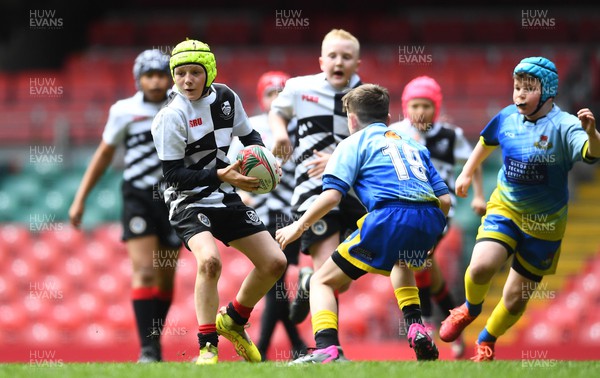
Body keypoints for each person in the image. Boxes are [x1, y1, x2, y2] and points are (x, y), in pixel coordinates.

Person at [438, 56, 600, 361]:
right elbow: (486, 141)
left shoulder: (565, 125)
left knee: (514, 300)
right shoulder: (507, 118)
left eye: (528, 88)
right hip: (506, 207)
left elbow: (593, 154)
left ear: (548, 91)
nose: (520, 94)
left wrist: (591, 132)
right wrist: (466, 172)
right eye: (517, 87)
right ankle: (468, 310)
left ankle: (487, 340)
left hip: (545, 224)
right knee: (482, 265)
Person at [275, 84, 451, 363]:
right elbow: (445, 201)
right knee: (401, 262)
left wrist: (298, 226)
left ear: (352, 119)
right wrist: (428, 235)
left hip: (388, 217)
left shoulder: (352, 143)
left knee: (321, 280)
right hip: (428, 218)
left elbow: (332, 196)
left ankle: (327, 348)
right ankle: (417, 327)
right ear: (388, 118)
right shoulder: (414, 145)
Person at [150, 39, 287, 365]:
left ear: (208, 72)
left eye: (195, 72)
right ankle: (207, 346)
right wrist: (223, 175)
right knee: (210, 261)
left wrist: (266, 159)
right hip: (187, 201)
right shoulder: (171, 115)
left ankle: (234, 320)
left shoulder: (226, 98)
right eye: (180, 73)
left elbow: (250, 136)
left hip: (224, 193)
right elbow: (174, 176)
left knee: (275, 263)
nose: (187, 80)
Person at [68, 49, 182, 363]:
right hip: (138, 198)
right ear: (138, 79)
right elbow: (104, 154)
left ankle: (153, 339)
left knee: (165, 276)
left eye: (161, 74)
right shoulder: (123, 111)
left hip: (173, 198)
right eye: (150, 75)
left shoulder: (182, 105)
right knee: (144, 272)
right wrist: (80, 199)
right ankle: (147, 349)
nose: (156, 81)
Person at [269, 28, 366, 325]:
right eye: (333, 56)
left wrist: (338, 160)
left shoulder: (365, 96)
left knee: (342, 279)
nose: (339, 62)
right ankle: (328, 347)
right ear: (321, 61)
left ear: (356, 64)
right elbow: (277, 112)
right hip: (314, 186)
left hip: (354, 191)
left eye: (346, 57)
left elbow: (372, 140)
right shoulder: (300, 88)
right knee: (329, 270)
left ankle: (308, 278)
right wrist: (281, 134)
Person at [389, 75, 487, 358]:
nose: (421, 112)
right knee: (427, 266)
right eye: (415, 105)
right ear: (406, 107)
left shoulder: (450, 136)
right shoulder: (394, 133)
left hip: (441, 212)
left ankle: (427, 327)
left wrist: (479, 194)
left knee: (418, 262)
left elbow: (474, 163)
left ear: (437, 107)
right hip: (406, 210)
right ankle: (454, 322)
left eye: (427, 105)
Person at [227, 71, 308, 360]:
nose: (275, 98)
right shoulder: (253, 130)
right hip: (262, 213)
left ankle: (284, 346)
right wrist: (242, 193)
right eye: (270, 93)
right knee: (278, 280)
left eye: (281, 93)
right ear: (262, 99)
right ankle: (274, 346)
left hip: (293, 212)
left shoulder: (302, 128)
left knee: (278, 283)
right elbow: (233, 169)